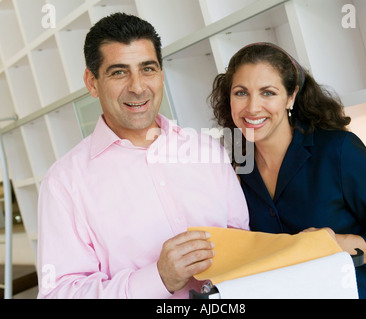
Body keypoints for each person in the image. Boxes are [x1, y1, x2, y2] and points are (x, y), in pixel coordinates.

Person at [37, 13, 249, 299]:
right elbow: (57, 294)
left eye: (147, 69)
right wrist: (157, 278)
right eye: (119, 72)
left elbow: (244, 241)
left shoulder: (207, 150)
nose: (137, 87)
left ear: (161, 74)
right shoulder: (63, 183)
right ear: (92, 82)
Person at [210, 42, 366, 299]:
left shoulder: (339, 151)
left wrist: (334, 245)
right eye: (241, 93)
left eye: (268, 93)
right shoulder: (236, 170)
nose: (252, 107)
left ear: (291, 96)